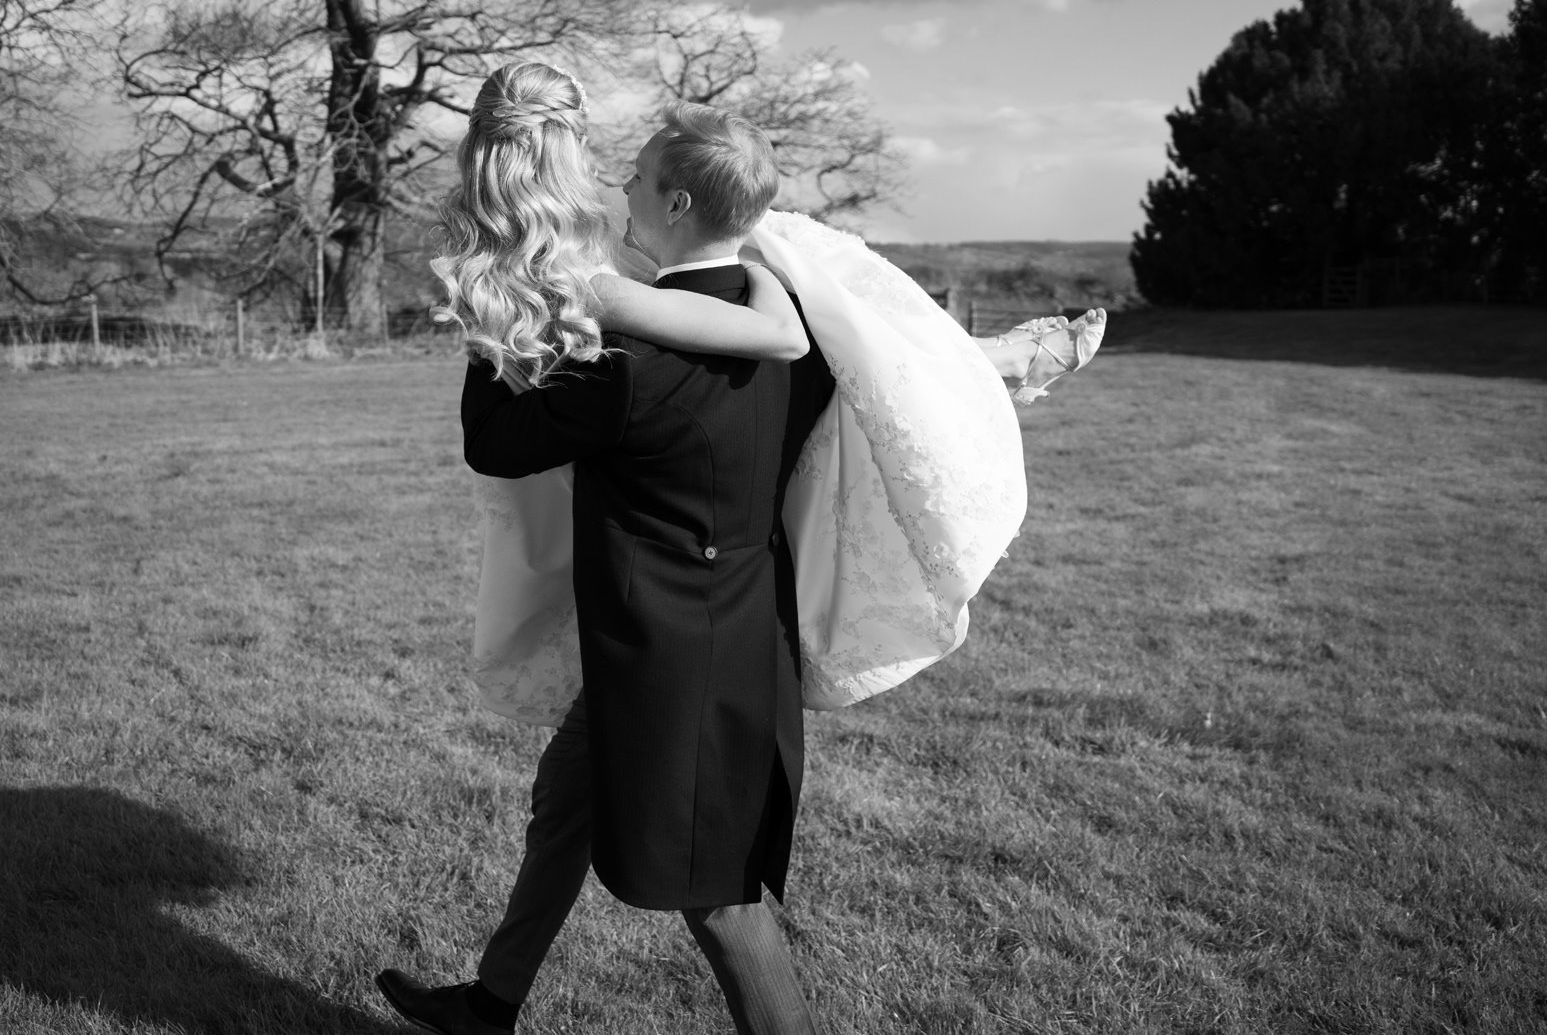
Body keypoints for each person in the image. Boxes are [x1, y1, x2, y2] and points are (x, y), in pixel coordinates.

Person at [378, 66, 1103, 1035]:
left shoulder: (629, 367)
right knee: (567, 801)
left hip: (676, 663)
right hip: (716, 636)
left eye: (633, 175)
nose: (617, 188)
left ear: (676, 201)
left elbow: (491, 439)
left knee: (717, 897)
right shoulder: (794, 323)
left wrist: (488, 310)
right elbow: (895, 379)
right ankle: (492, 1000)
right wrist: (1003, 358)